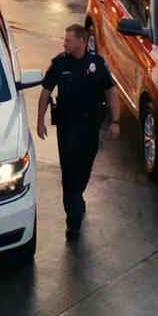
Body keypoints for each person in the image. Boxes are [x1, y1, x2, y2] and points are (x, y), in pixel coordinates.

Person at [35, 24, 121, 239]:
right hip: (67, 128)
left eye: (68, 41)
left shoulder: (96, 64)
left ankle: (77, 199)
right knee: (69, 172)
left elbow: (111, 91)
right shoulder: (59, 64)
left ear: (81, 42)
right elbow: (46, 92)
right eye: (64, 40)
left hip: (90, 127)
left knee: (84, 170)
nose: (64, 44)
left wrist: (116, 121)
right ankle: (73, 220)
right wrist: (40, 122)